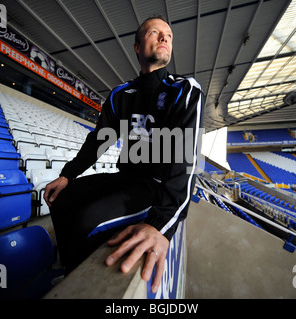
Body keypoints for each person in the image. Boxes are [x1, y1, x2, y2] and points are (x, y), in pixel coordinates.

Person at [44, 15, 204, 294]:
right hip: (125, 178)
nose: (165, 38)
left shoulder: (185, 90)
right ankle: (70, 269)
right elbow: (99, 141)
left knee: (87, 220)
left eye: (168, 35)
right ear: (138, 47)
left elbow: (185, 158)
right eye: (155, 32)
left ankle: (80, 286)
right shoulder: (121, 95)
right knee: (61, 198)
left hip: (155, 187)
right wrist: (68, 175)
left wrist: (162, 224)